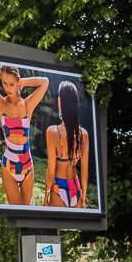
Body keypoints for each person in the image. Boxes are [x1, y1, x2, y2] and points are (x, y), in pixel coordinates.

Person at [0, 62, 49, 206]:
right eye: (4, 83)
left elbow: (44, 83)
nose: (7, 88)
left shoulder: (28, 105)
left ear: (17, 82)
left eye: (12, 84)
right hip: (8, 165)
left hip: (27, 165)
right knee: (15, 212)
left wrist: (22, 82)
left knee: (26, 213)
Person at [42, 81, 89, 209]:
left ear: (59, 102)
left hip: (58, 188)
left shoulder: (53, 132)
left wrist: (46, 196)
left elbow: (51, 172)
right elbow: (84, 173)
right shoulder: (83, 134)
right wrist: (83, 198)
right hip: (76, 188)